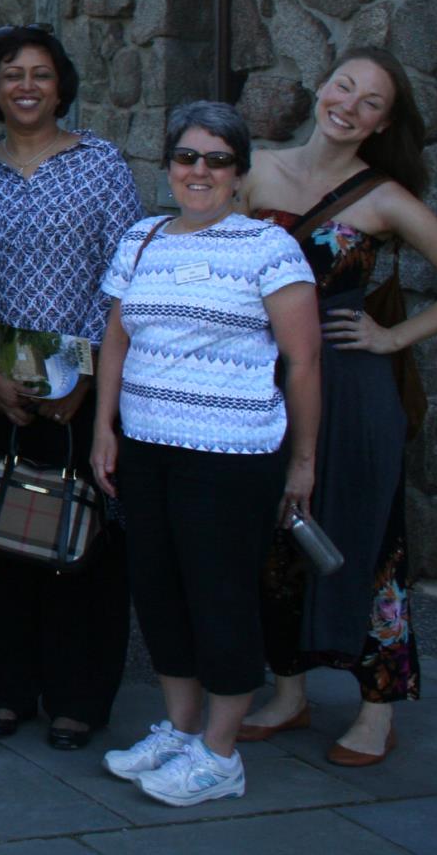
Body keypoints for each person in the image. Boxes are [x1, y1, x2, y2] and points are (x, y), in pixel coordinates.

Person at [239, 49, 437, 766]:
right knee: (275, 542)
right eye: (345, 84)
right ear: (322, 85)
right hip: (265, 380)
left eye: (371, 100)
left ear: (381, 123)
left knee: (368, 539)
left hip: (353, 388)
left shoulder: (383, 196)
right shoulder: (254, 170)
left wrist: (393, 334)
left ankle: (377, 707)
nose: (350, 102)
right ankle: (289, 692)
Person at [92, 101, 320, 809]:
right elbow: (116, 339)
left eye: (217, 159)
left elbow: (304, 361)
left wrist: (305, 462)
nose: (200, 170)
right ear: (169, 166)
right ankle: (181, 728)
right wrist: (105, 427)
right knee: (159, 591)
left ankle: (221, 752)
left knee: (219, 594)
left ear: (239, 172)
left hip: (230, 454)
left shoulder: (268, 248)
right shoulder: (142, 237)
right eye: (188, 156)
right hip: (148, 446)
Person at [0, 27, 142, 751]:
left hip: (83, 387)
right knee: (1, 540)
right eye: (11, 74)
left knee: (84, 542)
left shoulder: (101, 164)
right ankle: (6, 690)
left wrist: (84, 371)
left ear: (61, 85)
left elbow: (123, 275)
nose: (26, 85)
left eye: (39, 74)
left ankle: (78, 696)